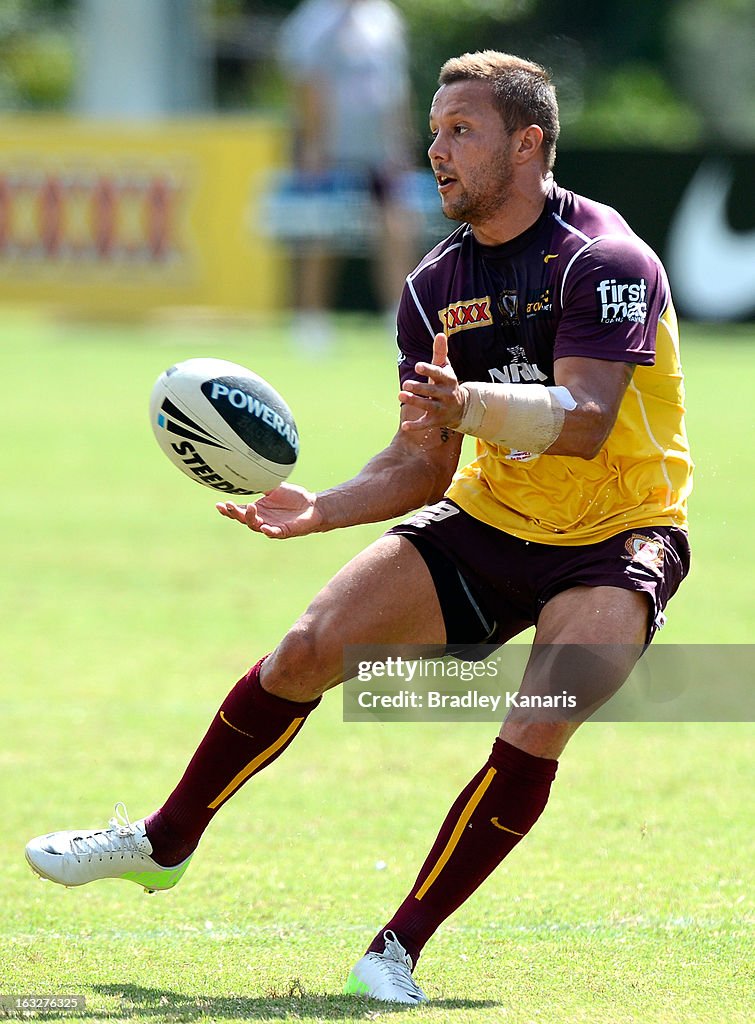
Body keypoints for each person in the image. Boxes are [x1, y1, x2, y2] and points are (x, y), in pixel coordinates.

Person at [25, 51, 692, 1005]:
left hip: (619, 534)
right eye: (432, 130)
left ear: (528, 143)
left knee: (542, 713)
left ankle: (396, 947)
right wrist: (322, 507)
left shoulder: (605, 260)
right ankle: (163, 839)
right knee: (306, 647)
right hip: (490, 518)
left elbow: (585, 424)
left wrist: (473, 406)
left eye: (461, 130)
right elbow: (420, 464)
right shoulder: (432, 287)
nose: (436, 151)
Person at [276, 0, 418, 350]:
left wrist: (401, 139)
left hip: (379, 150)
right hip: (330, 149)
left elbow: (396, 85)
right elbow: (307, 85)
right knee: (322, 232)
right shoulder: (312, 20)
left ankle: (400, 319)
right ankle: (310, 321)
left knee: (395, 228)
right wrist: (312, 144)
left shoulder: (385, 17)